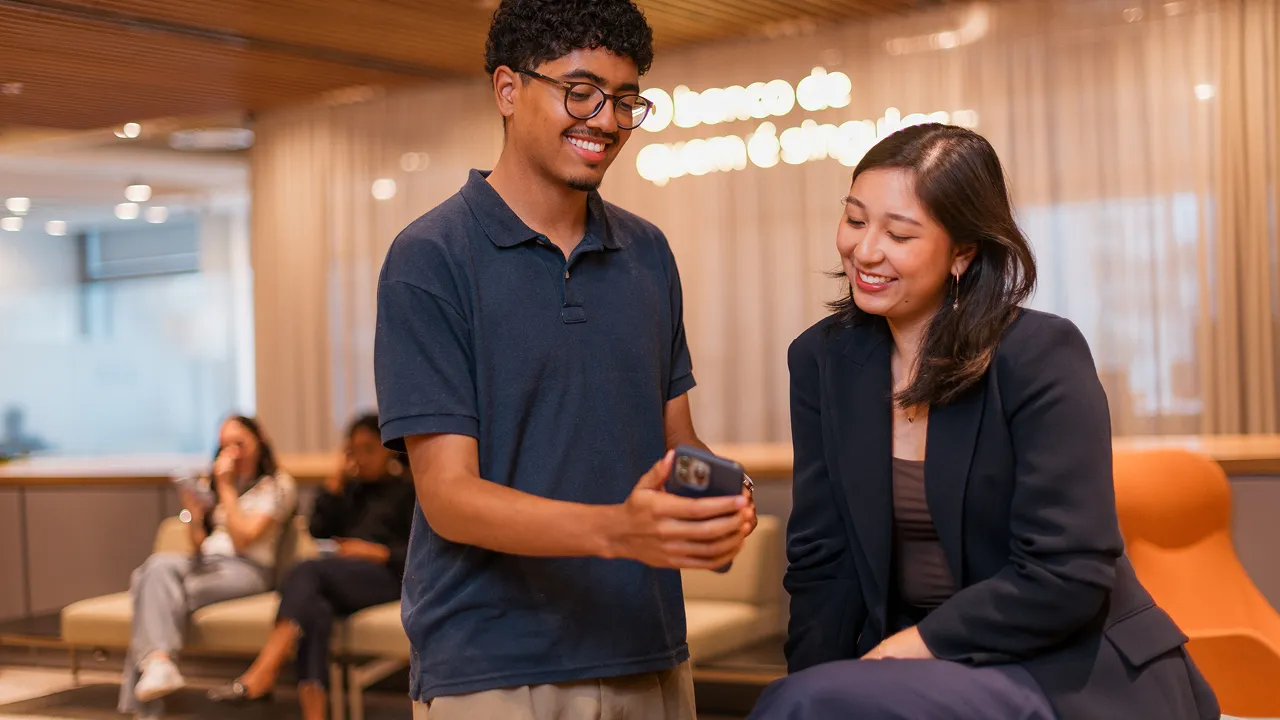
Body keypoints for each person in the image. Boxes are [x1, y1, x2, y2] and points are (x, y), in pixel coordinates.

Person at [749, 124, 1220, 720]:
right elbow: (823, 561)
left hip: (1067, 670)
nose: (865, 251)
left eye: (899, 234)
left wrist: (913, 648)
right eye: (855, 220)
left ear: (963, 252)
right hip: (919, 673)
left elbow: (1067, 573)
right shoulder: (823, 359)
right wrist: (816, 688)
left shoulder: (1039, 354)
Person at [373, 1, 756, 718]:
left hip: (648, 646)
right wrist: (618, 530)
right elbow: (449, 497)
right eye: (581, 92)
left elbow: (676, 441)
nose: (606, 121)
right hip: (492, 666)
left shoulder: (648, 251)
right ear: (508, 89)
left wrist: (718, 497)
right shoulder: (429, 258)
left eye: (625, 100)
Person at [207, 412, 415, 718]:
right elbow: (318, 529)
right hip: (343, 576)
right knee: (315, 609)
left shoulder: (407, 490)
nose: (361, 458)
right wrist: (335, 483)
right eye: (354, 450)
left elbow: (418, 551)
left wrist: (377, 553)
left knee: (306, 570)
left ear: (388, 450)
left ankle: (264, 671)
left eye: (369, 449)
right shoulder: (350, 490)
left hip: (386, 575)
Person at [119, 415, 297, 719]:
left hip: (247, 569)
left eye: (239, 444)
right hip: (206, 563)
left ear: (259, 441)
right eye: (226, 446)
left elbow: (244, 539)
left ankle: (141, 709)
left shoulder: (276, 484)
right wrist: (194, 512)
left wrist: (226, 488)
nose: (233, 453)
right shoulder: (214, 484)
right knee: (157, 565)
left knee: (147, 590)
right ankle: (159, 663)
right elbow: (199, 542)